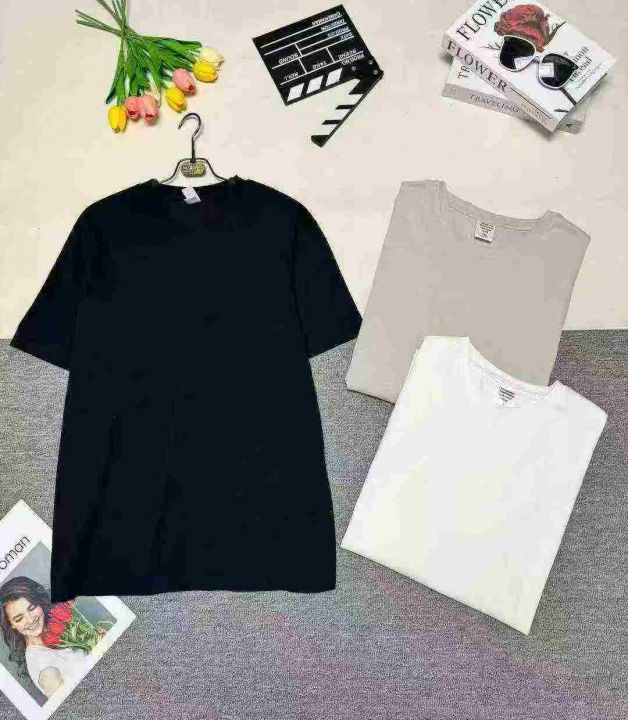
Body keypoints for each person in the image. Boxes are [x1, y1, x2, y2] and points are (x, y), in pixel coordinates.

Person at [0, 577, 89, 697]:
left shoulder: (57, 625)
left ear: (39, 603)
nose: (30, 620)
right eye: (19, 618)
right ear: (11, 624)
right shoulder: (44, 667)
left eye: (32, 608)